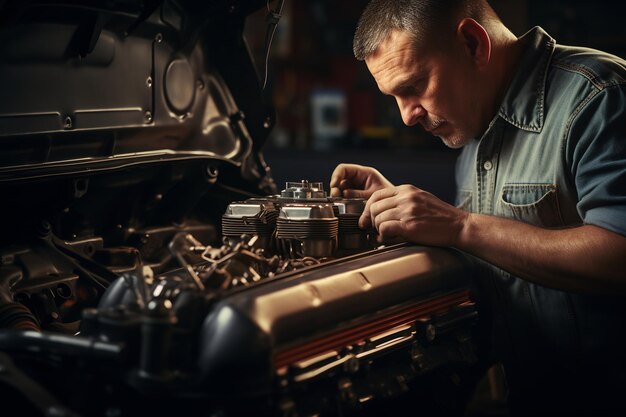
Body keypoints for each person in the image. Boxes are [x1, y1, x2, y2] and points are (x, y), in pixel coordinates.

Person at [330, 0, 626, 415]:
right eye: (393, 96)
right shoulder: (475, 130)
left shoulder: (600, 96)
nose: (406, 117)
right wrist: (403, 210)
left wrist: (460, 226)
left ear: (473, 44)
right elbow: (500, 259)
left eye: (413, 87)